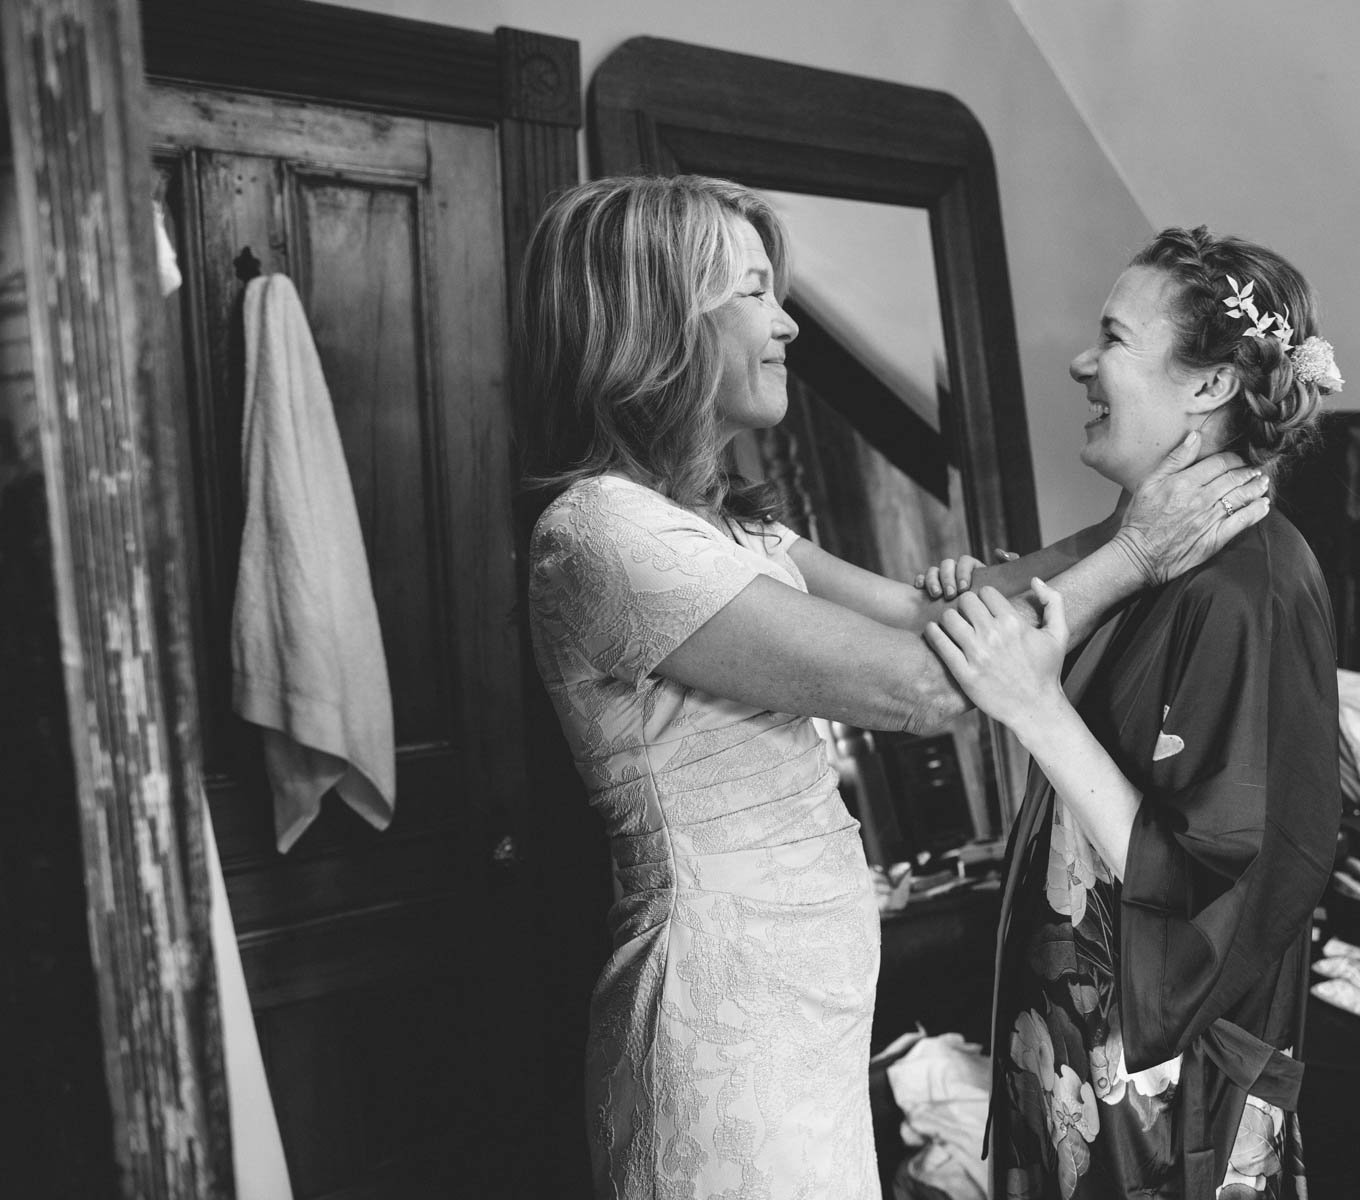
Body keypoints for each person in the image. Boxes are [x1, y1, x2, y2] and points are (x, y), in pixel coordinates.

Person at [517, 176, 1275, 1199]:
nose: (788, 321)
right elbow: (928, 683)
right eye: (753, 292)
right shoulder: (602, 533)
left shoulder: (737, 531)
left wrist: (1119, 523)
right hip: (716, 1018)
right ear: (658, 316)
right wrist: (1135, 555)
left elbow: (926, 620)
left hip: (802, 1004)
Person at [923, 226, 1344, 1200]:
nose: (1081, 361)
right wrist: (981, 591)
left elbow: (1213, 880)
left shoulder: (1250, 590)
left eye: (1111, 337)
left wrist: (1034, 707)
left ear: (1207, 387)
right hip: (1072, 1041)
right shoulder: (1142, 545)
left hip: (1159, 1093)